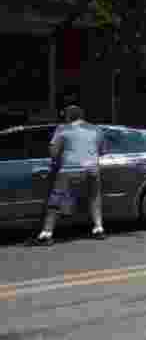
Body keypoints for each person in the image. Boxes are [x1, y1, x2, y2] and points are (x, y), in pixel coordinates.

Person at [32, 104, 105, 245]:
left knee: (55, 199)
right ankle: (99, 229)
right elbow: (102, 151)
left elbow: (53, 152)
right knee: (94, 197)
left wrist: (56, 162)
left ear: (68, 116)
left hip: (69, 169)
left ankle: (46, 234)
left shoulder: (62, 129)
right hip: (92, 169)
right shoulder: (96, 129)